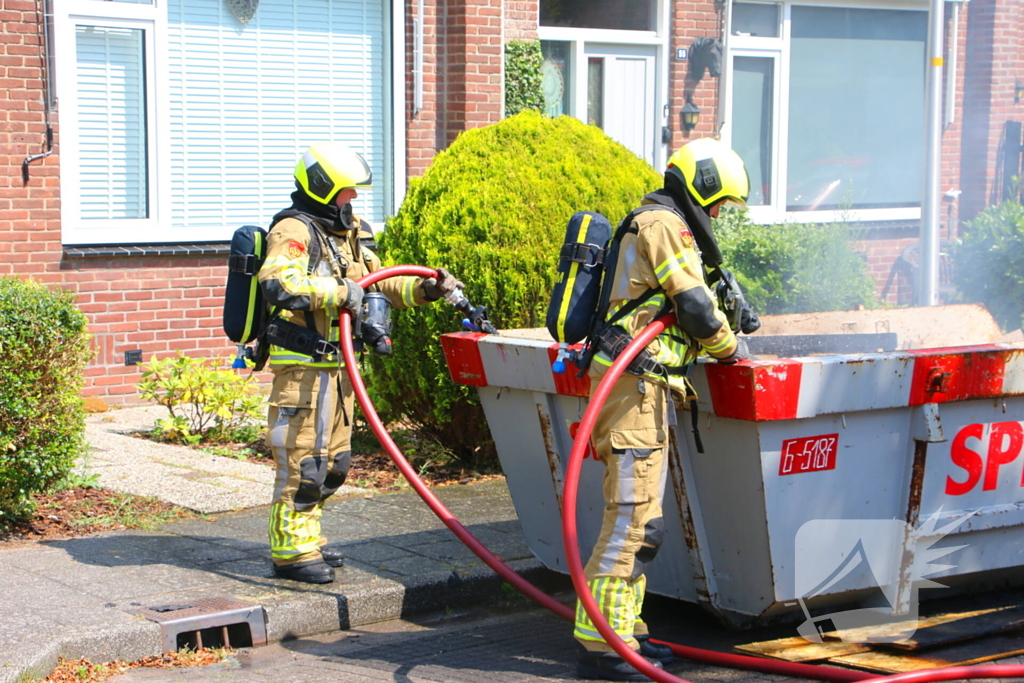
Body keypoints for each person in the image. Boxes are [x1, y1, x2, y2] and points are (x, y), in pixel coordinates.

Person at [574, 138, 750, 681]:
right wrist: (730, 347)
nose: (718, 213)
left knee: (644, 521)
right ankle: (603, 640)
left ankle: (625, 629)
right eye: (718, 201)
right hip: (634, 388)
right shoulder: (662, 225)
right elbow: (693, 305)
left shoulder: (664, 223)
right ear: (700, 186)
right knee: (630, 518)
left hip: (645, 388)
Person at [258, 142, 462, 584]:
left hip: (340, 370)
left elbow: (379, 285)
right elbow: (278, 283)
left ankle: (308, 540)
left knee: (335, 463)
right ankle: (291, 553)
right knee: (303, 462)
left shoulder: (349, 232)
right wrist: (340, 293)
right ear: (321, 186)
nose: (352, 199)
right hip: (304, 371)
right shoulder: (294, 230)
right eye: (346, 191)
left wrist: (428, 289)